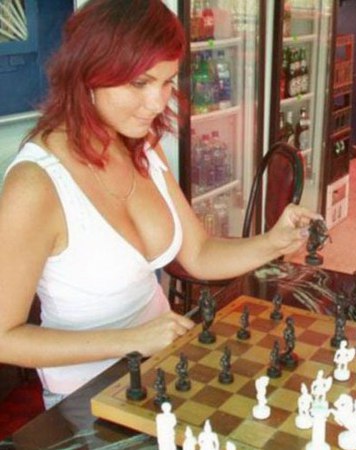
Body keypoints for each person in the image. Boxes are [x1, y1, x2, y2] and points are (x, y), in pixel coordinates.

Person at [0, 0, 319, 409]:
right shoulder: (36, 185)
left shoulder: (142, 147)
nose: (156, 103)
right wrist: (132, 339)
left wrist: (273, 241)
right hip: (85, 399)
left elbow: (199, 253)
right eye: (139, 83)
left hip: (165, 366)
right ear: (87, 73)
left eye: (167, 81)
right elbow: (5, 338)